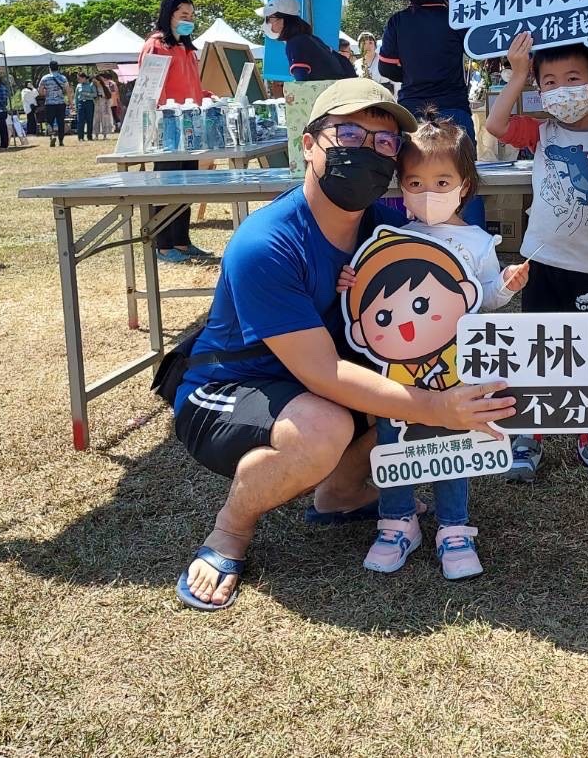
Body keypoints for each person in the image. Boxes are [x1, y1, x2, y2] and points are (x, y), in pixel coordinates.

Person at [171, 78, 515, 610]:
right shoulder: (267, 243)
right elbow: (324, 374)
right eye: (350, 134)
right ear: (309, 145)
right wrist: (438, 408)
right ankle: (230, 529)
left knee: (406, 379)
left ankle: (342, 494)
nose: (368, 151)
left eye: (384, 143)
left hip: (324, 379)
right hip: (233, 387)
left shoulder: (386, 229)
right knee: (325, 426)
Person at [338, 112, 527, 579]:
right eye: (415, 183)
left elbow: (484, 299)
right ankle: (397, 520)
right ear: (400, 186)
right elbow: (370, 297)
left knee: (452, 440)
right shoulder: (393, 238)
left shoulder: (478, 242)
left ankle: (454, 526)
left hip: (457, 368)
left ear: (465, 185)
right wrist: (350, 284)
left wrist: (506, 285)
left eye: (442, 182)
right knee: (392, 436)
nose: (428, 193)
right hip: (397, 370)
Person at [485, 35, 588, 482]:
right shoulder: (542, 133)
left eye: (572, 79)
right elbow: (495, 125)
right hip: (539, 264)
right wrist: (519, 74)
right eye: (550, 82)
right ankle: (527, 434)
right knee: (536, 349)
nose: (561, 90)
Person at [376, 0, 483, 224]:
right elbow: (480, 49)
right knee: (463, 185)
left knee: (412, 183)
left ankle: (411, 242)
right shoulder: (456, 19)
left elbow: (386, 68)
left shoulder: (398, 21)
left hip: (411, 116)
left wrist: (411, 73)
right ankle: (474, 244)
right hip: (455, 111)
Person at [140, 0, 213, 262]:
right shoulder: (156, 45)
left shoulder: (188, 48)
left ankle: (182, 241)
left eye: (192, 15)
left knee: (186, 184)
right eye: (183, 15)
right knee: (166, 184)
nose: (189, 20)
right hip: (167, 125)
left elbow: (192, 86)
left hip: (190, 124)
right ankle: (163, 245)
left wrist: (207, 97)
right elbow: (149, 87)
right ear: (168, 15)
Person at [261, 0, 352, 82]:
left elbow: (301, 81)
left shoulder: (294, 43)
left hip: (331, 90)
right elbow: (344, 63)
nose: (267, 23)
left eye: (269, 18)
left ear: (283, 20)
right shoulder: (312, 39)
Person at [38, 60, 70, 146]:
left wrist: (46, 93)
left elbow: (40, 92)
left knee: (49, 121)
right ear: (58, 68)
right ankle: (61, 141)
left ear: (50, 68)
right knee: (60, 122)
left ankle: (52, 136)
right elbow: (68, 90)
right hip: (60, 103)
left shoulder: (45, 78)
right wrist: (70, 102)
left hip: (49, 103)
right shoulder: (63, 78)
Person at [73, 71, 97, 141]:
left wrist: (87, 94)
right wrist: (76, 106)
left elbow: (95, 94)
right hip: (81, 103)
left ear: (84, 78)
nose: (78, 80)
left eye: (79, 78)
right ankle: (80, 137)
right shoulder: (78, 85)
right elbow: (76, 97)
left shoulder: (91, 85)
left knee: (89, 120)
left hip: (89, 103)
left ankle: (89, 136)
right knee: (80, 120)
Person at [92, 71, 116, 139]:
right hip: (96, 105)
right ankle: (96, 135)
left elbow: (109, 97)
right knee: (96, 120)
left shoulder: (105, 87)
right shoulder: (93, 87)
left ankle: (105, 135)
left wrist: (108, 106)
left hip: (104, 105)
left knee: (104, 120)